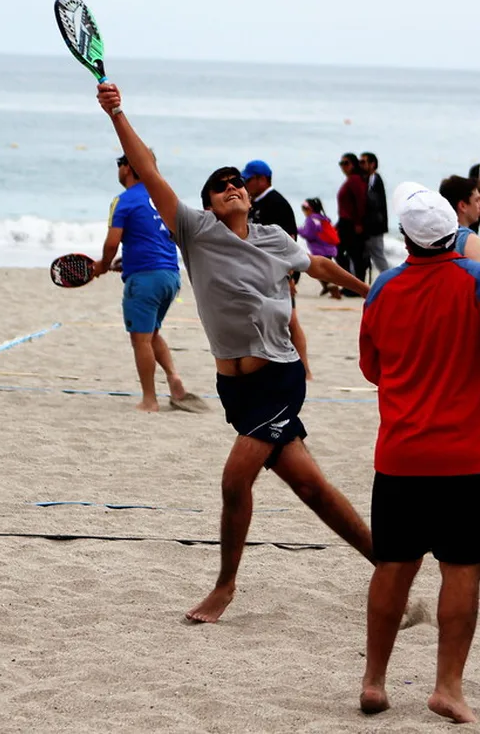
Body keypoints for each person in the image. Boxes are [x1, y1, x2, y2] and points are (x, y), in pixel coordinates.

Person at [95, 81, 375, 624]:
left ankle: (224, 587)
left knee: (233, 480)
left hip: (278, 378)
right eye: (220, 186)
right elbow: (148, 170)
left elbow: (316, 266)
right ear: (205, 204)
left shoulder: (273, 238)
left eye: (237, 184)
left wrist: (372, 291)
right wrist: (117, 113)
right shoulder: (195, 232)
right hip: (235, 390)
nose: (232, 188)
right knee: (310, 486)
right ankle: (385, 560)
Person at [357, 181, 480, 723]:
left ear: (406, 240)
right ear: (455, 234)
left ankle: (373, 682)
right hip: (469, 459)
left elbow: (372, 366)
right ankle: (447, 688)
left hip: (401, 457)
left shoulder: (383, 289)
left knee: (394, 567)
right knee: (461, 570)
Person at [92, 152, 192, 413]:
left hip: (146, 279)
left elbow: (112, 242)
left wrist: (102, 265)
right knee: (153, 333)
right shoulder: (160, 198)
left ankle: (150, 399)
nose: (118, 169)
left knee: (140, 340)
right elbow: (157, 236)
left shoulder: (123, 201)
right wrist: (130, 259)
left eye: (119, 163)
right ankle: (174, 378)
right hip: (171, 275)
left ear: (128, 168)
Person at [242, 159, 313, 380]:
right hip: (261, 271)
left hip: (281, 271)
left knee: (290, 320)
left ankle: (305, 369)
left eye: (249, 180)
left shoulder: (276, 203)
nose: (245, 184)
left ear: (262, 180)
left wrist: (289, 277)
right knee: (264, 320)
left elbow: (289, 242)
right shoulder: (255, 201)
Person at [334, 152, 370, 292]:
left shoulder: (355, 180)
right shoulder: (351, 180)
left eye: (346, 163)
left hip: (351, 223)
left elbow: (361, 202)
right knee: (345, 253)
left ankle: (354, 286)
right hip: (345, 222)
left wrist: (359, 223)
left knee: (352, 254)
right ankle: (351, 284)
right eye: (341, 163)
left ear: (353, 165)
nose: (343, 166)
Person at [297, 197, 341, 299]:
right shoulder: (322, 219)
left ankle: (333, 289)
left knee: (319, 270)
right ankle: (327, 287)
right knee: (323, 270)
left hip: (320, 250)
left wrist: (298, 230)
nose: (304, 212)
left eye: (305, 209)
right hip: (330, 249)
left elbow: (310, 235)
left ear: (310, 209)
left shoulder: (311, 219)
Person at [438, 174, 480, 261]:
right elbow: (477, 274)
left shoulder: (434, 237)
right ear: (463, 206)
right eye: (476, 200)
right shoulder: (469, 240)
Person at [359, 152, 389, 277]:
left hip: (375, 227)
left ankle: (389, 279)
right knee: (366, 255)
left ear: (372, 164)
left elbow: (376, 205)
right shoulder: (367, 179)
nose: (360, 165)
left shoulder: (375, 180)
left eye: (363, 162)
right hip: (370, 227)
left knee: (378, 255)